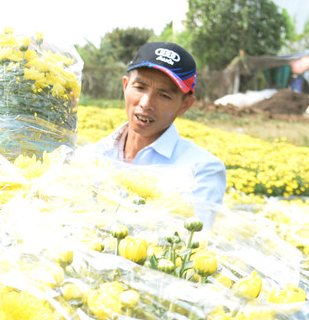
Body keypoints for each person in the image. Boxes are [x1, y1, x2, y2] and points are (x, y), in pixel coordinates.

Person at [87, 41, 226, 205]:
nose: (146, 103)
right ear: (125, 86)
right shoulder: (91, 156)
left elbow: (197, 229)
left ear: (185, 105)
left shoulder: (201, 171)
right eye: (139, 87)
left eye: (164, 96)